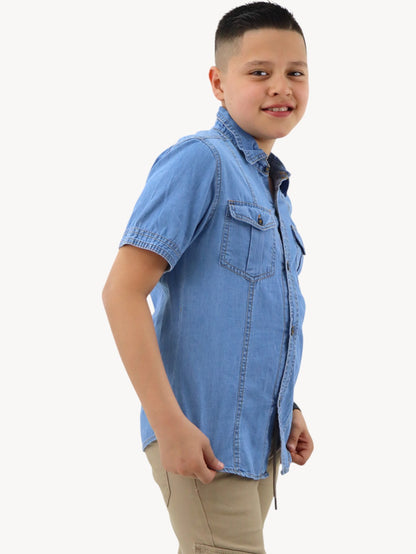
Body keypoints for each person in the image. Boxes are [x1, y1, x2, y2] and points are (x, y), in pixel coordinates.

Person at [102, 2, 314, 553]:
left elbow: (247, 319)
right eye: (260, 72)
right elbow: (122, 291)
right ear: (219, 83)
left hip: (256, 446)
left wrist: (286, 409)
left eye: (295, 72)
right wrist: (169, 425)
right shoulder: (201, 161)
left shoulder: (271, 190)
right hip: (202, 440)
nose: (281, 87)